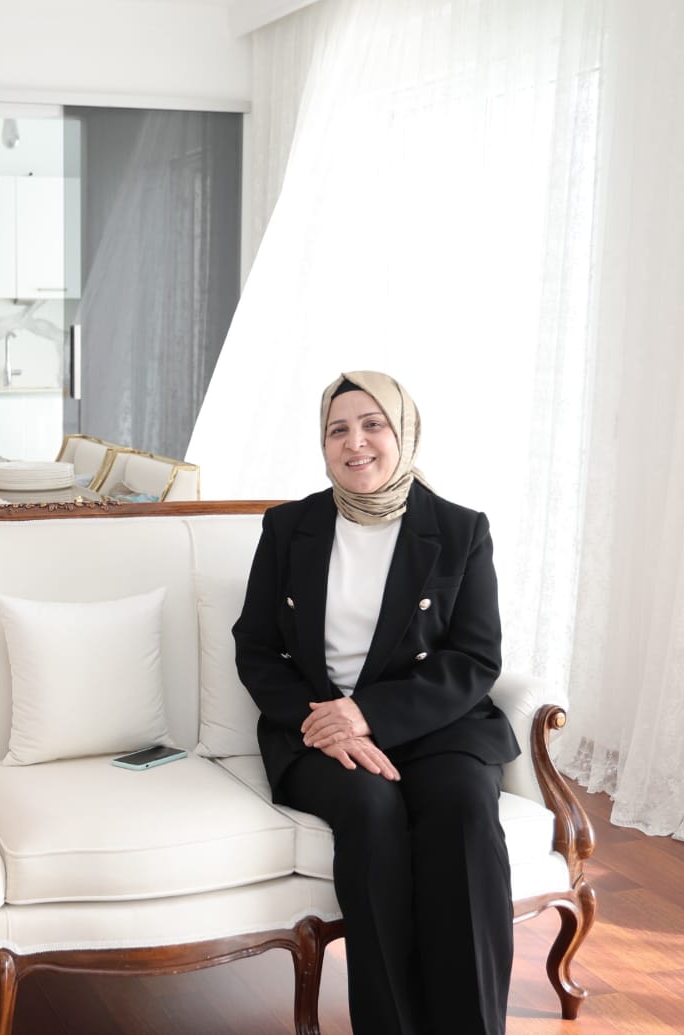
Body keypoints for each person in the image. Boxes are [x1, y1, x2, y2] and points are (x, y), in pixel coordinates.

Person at [232, 371, 520, 1034]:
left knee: (463, 805)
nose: (354, 442)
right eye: (337, 429)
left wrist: (369, 714)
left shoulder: (460, 530)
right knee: (370, 806)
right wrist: (326, 722)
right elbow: (256, 648)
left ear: (405, 433)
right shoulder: (289, 527)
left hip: (434, 724)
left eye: (372, 425)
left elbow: (475, 658)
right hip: (317, 728)